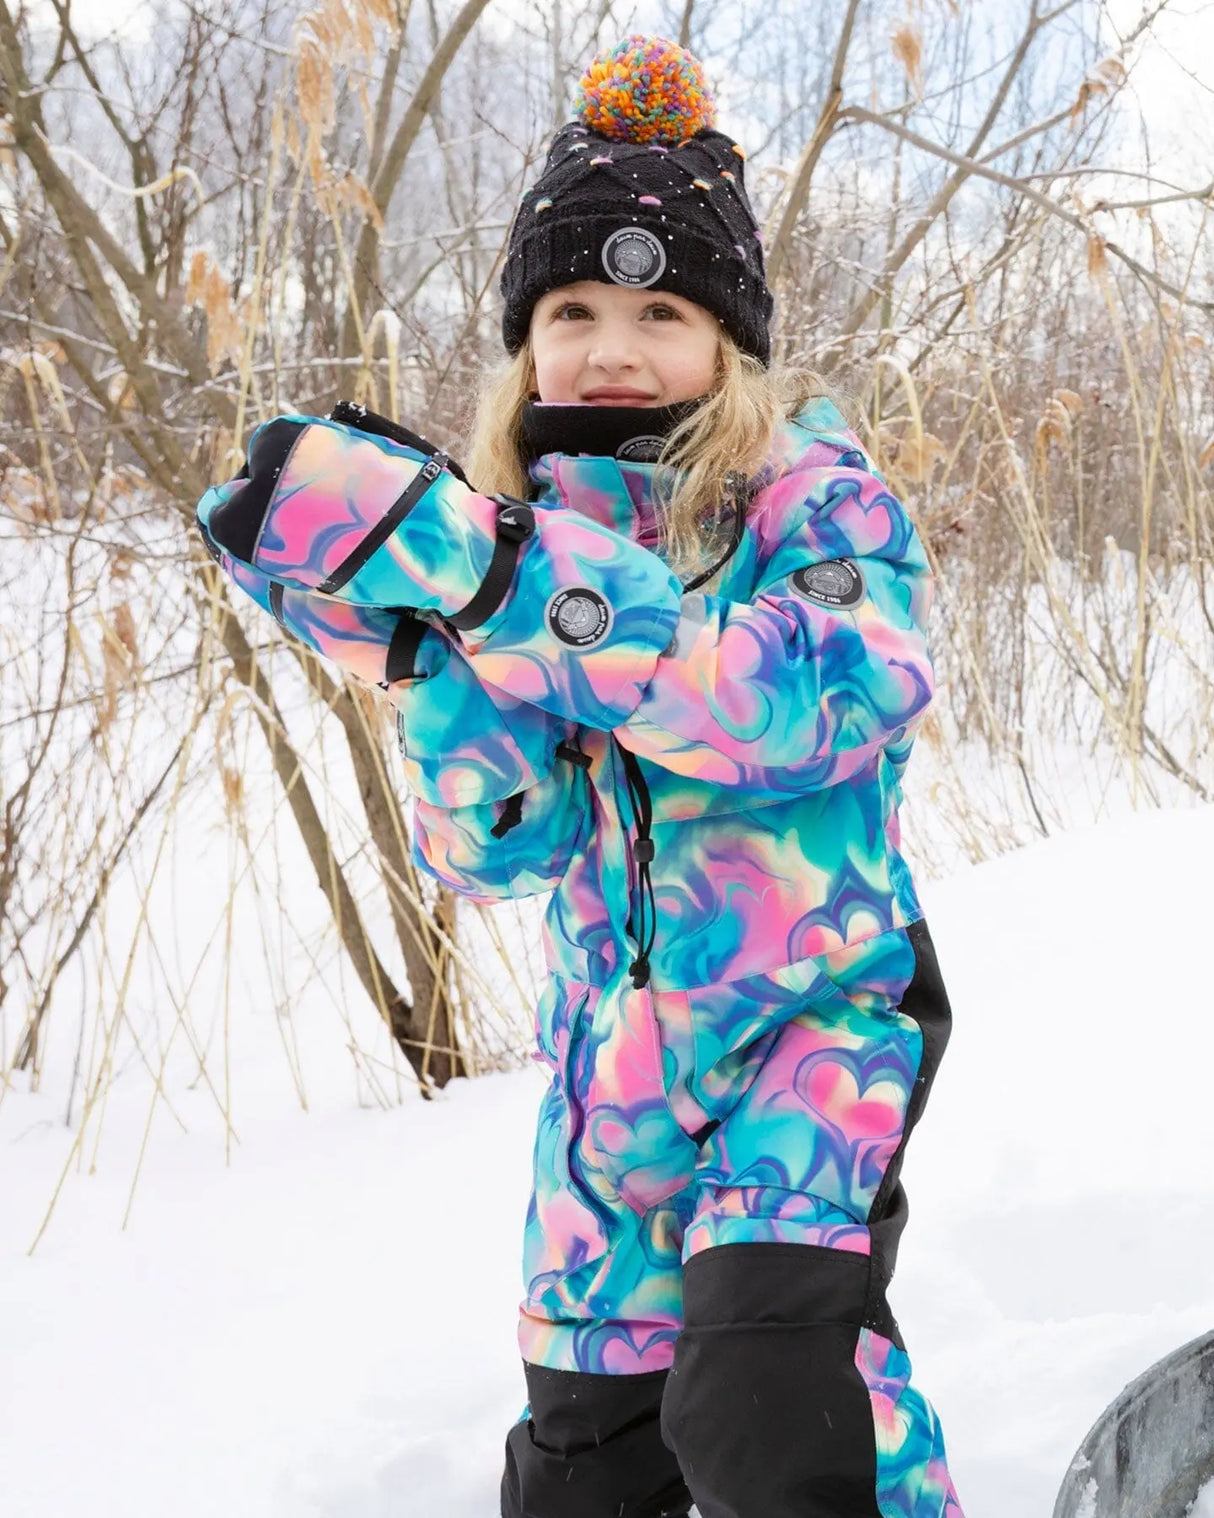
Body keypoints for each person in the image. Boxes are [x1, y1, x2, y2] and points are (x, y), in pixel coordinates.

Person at [196, 34, 964, 1518]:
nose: (609, 346)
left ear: (728, 345)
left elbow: (780, 707)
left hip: (813, 1035)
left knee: (768, 1399)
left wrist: (497, 580)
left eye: (659, 308)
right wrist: (418, 657)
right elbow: (499, 849)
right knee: (579, 1467)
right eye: (570, 308)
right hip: (605, 1086)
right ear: (522, 342)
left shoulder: (814, 503)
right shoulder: (506, 544)